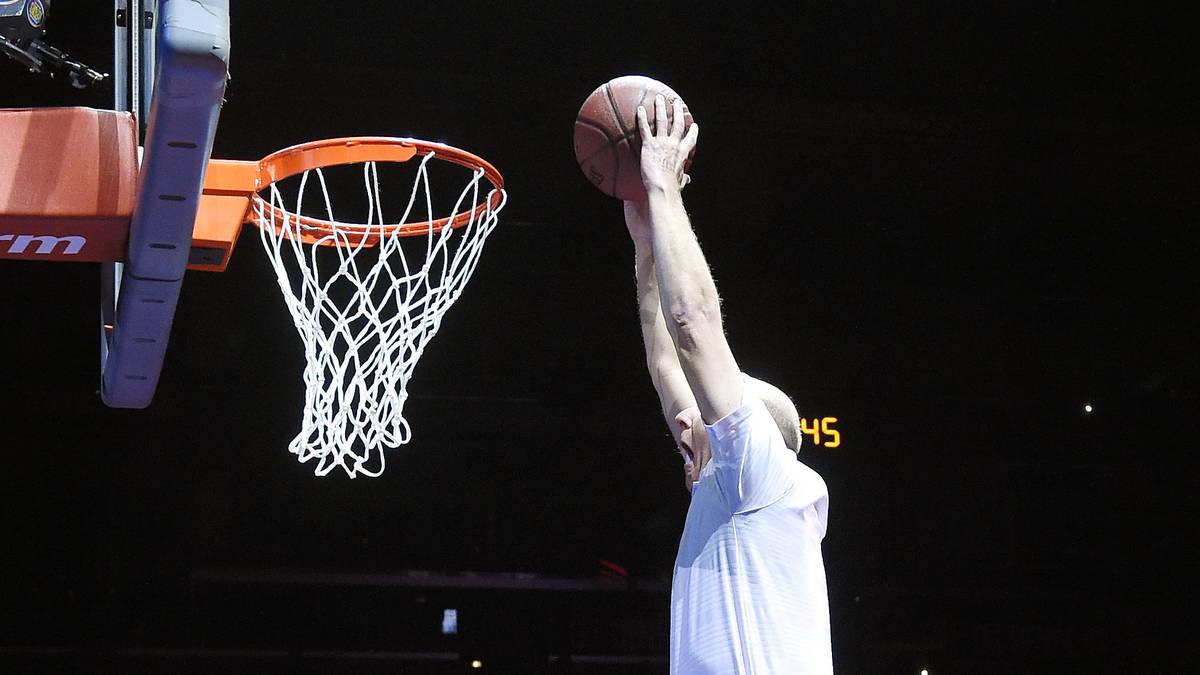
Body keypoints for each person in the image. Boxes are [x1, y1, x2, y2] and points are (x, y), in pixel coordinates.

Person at [624, 94, 834, 674]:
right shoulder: (735, 488)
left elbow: (692, 324)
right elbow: (666, 362)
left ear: (753, 438)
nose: (683, 419)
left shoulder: (762, 476)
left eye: (708, 415)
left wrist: (663, 184)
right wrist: (646, 246)